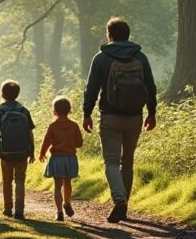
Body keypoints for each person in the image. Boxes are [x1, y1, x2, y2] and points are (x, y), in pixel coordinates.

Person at [82, 17, 157, 223]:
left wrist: (86, 113)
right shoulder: (140, 56)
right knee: (128, 161)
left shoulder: (101, 58)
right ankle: (125, 205)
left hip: (110, 116)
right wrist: (152, 113)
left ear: (109, 34)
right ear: (128, 34)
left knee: (112, 162)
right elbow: (150, 87)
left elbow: (92, 89)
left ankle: (120, 201)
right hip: (135, 116)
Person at [0, 80, 35, 219]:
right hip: (22, 153)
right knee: (20, 180)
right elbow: (30, 132)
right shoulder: (24, 111)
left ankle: (8, 208)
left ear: (2, 94)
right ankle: (19, 210)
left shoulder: (0, 111)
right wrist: (32, 150)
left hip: (5, 153)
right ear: (18, 94)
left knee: (7, 181)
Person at [39, 96, 83, 222]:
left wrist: (42, 153)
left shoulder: (52, 126)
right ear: (70, 110)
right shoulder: (74, 125)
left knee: (57, 186)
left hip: (57, 158)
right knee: (67, 183)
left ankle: (59, 213)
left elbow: (46, 142)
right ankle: (67, 203)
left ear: (54, 111)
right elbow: (79, 143)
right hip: (70, 158)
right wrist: (70, 143)